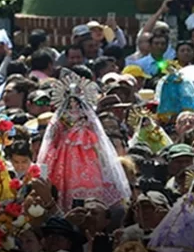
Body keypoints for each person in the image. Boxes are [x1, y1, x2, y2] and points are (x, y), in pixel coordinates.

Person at [37, 73, 130, 209]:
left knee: (91, 183)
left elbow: (99, 137)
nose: (73, 103)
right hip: (65, 154)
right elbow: (52, 137)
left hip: (87, 152)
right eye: (70, 100)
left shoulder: (87, 117)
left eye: (76, 100)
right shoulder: (62, 116)